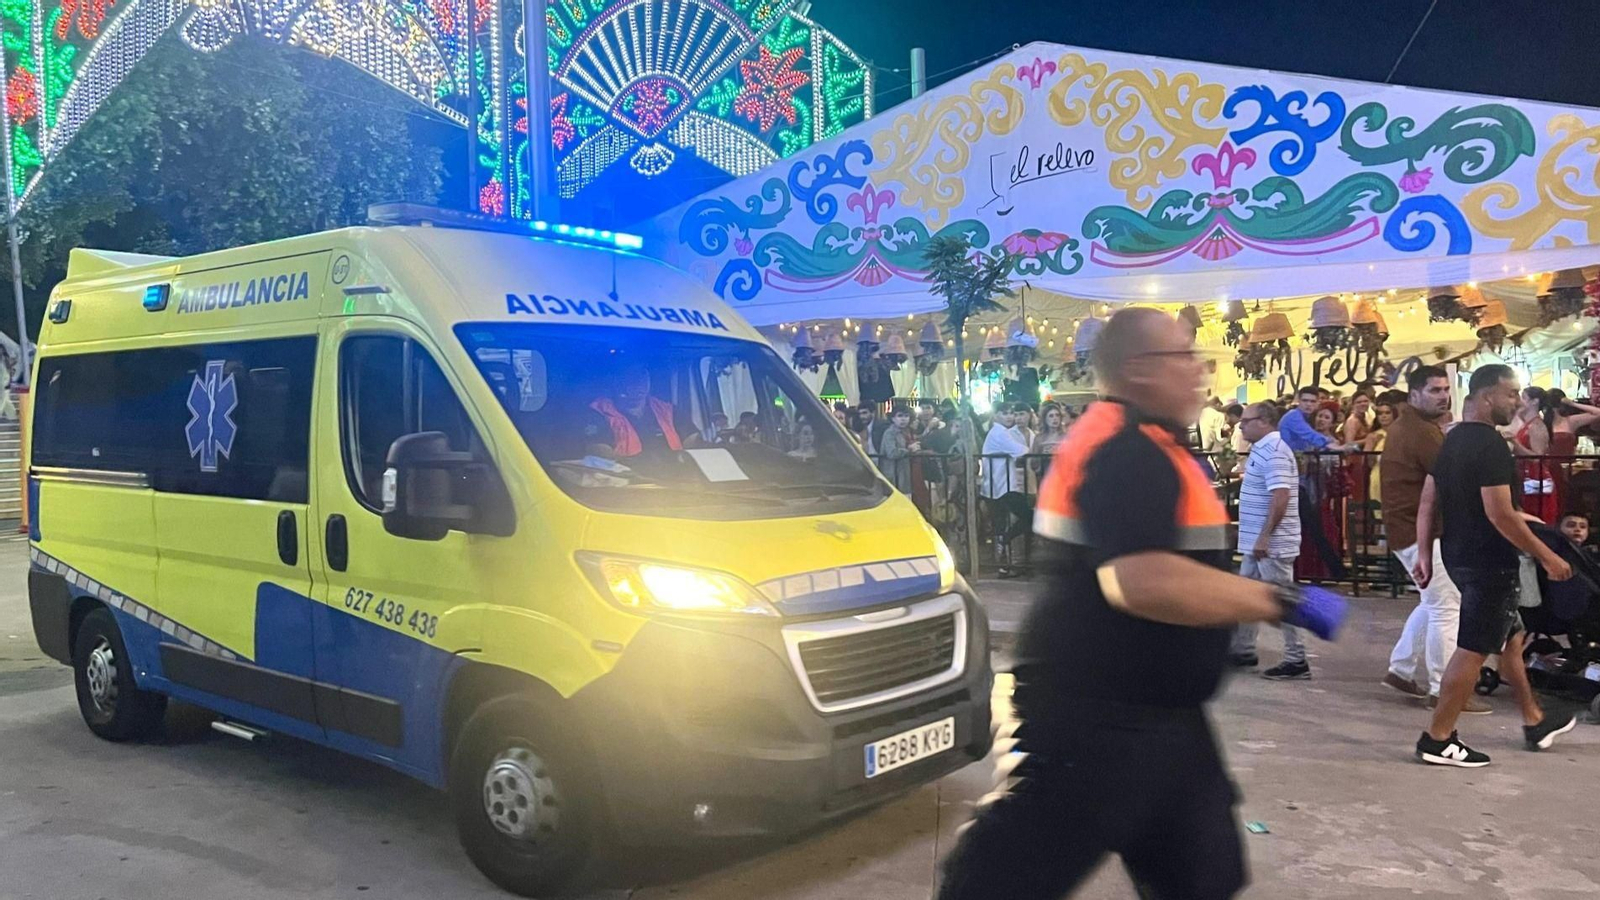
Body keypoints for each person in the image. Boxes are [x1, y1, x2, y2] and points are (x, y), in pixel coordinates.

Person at [936, 308, 1346, 900]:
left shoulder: (1145, 442)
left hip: (1161, 716)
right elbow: (1140, 580)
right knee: (1005, 879)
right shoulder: (1125, 451)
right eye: (1183, 356)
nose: (1199, 369)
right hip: (1095, 720)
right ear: (1140, 370)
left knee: (1205, 877)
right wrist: (1280, 598)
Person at [1412, 364, 1576, 767]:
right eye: (1511, 394)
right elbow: (1500, 514)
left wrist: (1422, 553)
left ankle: (1534, 718)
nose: (1517, 401)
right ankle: (1438, 738)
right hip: (1490, 561)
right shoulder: (1489, 446)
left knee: (1511, 639)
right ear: (1486, 397)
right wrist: (1547, 555)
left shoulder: (1451, 441)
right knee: (1472, 649)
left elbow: (1429, 500)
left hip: (1459, 554)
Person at [1379, 367, 1491, 712]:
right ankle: (1444, 690)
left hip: (1410, 530)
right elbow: (1456, 477)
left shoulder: (1416, 427)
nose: (1443, 396)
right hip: (1421, 533)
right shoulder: (1421, 433)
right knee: (1447, 606)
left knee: (1434, 602)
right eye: (1434, 390)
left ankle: (1401, 669)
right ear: (1414, 395)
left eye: (1445, 389)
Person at [1229, 401, 1310, 679]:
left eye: (1247, 420)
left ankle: (1296, 658)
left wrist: (1265, 535)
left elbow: (1281, 496)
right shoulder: (1261, 449)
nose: (1241, 424)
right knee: (1248, 594)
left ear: (1264, 421)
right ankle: (1243, 649)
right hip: (1258, 543)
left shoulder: (1274, 452)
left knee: (1281, 599)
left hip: (1271, 544)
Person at [583, 364, 695, 459]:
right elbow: (599, 454)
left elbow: (693, 443)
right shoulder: (598, 413)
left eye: (643, 375)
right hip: (627, 481)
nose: (639, 382)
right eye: (630, 376)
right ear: (616, 381)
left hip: (678, 478)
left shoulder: (668, 411)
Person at [981, 403, 1032, 577]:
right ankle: (1005, 544)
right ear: (996, 415)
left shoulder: (999, 432)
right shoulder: (999, 433)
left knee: (1002, 523)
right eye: (1005, 413)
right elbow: (1020, 450)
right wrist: (1030, 449)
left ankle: (1003, 564)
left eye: (1011, 413)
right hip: (1002, 486)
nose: (1010, 417)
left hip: (1000, 485)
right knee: (1028, 517)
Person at [1511, 387, 1560, 523]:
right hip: (1527, 476)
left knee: (1535, 515)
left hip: (1536, 478)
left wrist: (1515, 444)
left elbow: (1537, 459)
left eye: (1524, 398)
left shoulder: (1536, 426)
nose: (1520, 402)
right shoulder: (1528, 424)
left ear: (1534, 402)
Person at [878, 405, 921, 493]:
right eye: (900, 416)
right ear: (893, 418)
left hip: (906, 472)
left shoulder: (909, 431)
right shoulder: (890, 433)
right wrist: (908, 450)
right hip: (894, 473)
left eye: (906, 416)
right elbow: (891, 453)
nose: (903, 419)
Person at [1029, 402, 1070, 484]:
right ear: (1045, 419)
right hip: (1045, 477)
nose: (1055, 418)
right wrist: (1043, 455)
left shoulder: (1067, 436)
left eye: (1057, 415)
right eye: (1051, 416)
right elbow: (1033, 462)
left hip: (1064, 478)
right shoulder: (1039, 438)